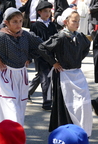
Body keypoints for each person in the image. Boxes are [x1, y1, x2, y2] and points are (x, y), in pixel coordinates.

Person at [0, 7, 42, 125]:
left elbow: (40, 45)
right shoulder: (1, 36)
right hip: (5, 74)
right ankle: (7, 132)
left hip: (20, 74)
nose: (18, 24)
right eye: (14, 21)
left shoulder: (25, 35)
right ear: (6, 22)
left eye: (20, 21)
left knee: (19, 105)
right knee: (9, 106)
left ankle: (17, 134)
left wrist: (29, 56)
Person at [39, 8, 92, 136]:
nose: (77, 24)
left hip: (76, 73)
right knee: (65, 103)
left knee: (82, 102)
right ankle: (64, 129)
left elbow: (86, 47)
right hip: (63, 74)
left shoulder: (79, 36)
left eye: (78, 21)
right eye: (74, 21)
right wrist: (54, 62)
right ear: (66, 21)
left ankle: (79, 127)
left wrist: (78, 57)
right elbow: (42, 48)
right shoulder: (61, 36)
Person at [28, 1, 57, 110]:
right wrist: (29, 56)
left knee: (41, 76)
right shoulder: (35, 25)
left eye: (49, 11)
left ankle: (27, 92)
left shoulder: (52, 25)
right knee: (46, 79)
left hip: (51, 55)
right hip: (40, 55)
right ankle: (47, 102)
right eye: (45, 11)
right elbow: (31, 41)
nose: (47, 13)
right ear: (39, 12)